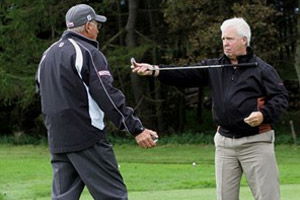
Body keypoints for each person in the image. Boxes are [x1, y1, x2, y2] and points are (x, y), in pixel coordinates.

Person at [131, 17, 288, 200]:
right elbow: (185, 73)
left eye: (230, 39)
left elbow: (281, 98)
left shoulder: (262, 69)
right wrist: (155, 70)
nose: (225, 43)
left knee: (267, 197)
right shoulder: (216, 66)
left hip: (256, 143)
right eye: (223, 39)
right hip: (224, 144)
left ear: (244, 40)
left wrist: (263, 115)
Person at [36, 4, 158, 200]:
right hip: (87, 137)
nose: (98, 29)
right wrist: (135, 128)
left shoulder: (47, 55)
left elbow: (41, 91)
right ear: (87, 27)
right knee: (113, 195)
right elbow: (106, 94)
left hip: (57, 139)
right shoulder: (87, 52)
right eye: (96, 24)